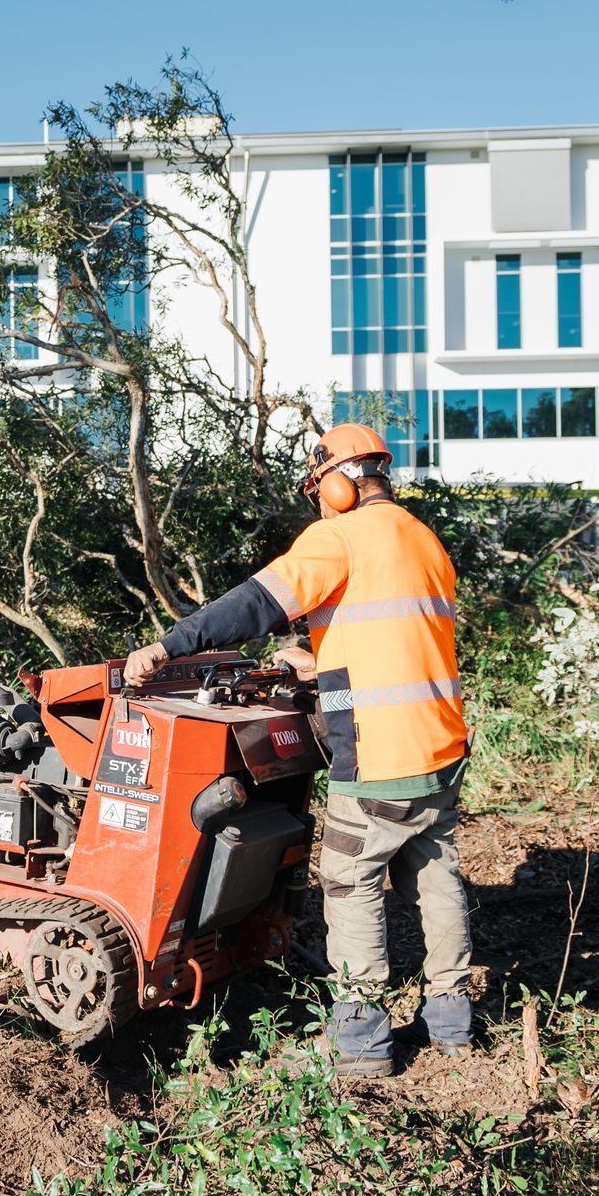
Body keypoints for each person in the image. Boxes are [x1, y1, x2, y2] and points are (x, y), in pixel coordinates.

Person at [123, 423, 472, 1077]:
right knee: (434, 875)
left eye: (319, 490)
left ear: (340, 483)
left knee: (350, 881)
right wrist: (321, 660)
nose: (318, 503)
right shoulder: (422, 539)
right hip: (440, 750)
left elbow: (256, 603)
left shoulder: (338, 537)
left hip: (379, 758)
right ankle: (450, 1021)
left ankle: (363, 1040)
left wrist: (170, 646)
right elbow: (402, 633)